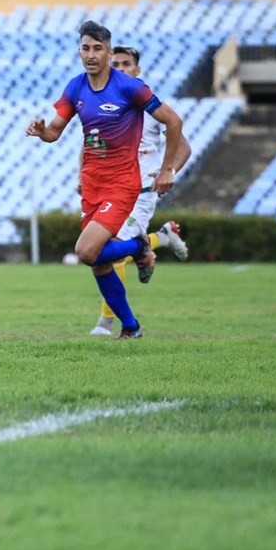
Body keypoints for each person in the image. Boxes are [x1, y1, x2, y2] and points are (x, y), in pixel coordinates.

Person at [26, 20, 186, 340]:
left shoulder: (129, 87)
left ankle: (141, 247)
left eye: (98, 48)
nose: (91, 54)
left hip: (122, 183)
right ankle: (130, 328)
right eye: (86, 48)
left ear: (108, 53)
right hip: (92, 184)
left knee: (86, 252)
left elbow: (173, 121)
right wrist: (43, 132)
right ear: (79, 51)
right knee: (99, 262)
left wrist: (168, 168)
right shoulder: (76, 87)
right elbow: (56, 132)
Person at [89, 46, 191, 336]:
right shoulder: (103, 104)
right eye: (116, 63)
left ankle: (107, 323)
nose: (120, 68)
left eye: (126, 64)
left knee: (110, 251)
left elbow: (184, 146)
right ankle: (160, 238)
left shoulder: (149, 106)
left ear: (137, 71)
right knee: (104, 250)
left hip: (142, 190)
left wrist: (167, 170)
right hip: (110, 189)